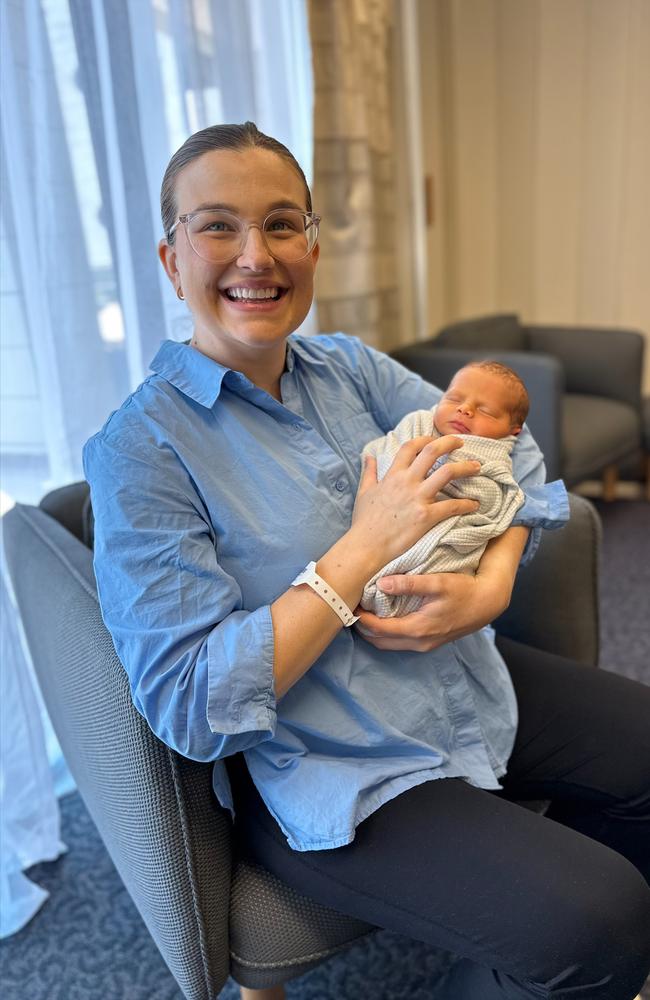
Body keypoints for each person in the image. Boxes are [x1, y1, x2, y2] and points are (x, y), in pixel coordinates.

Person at [82, 122, 650, 1000]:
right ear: (170, 258)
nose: (254, 255)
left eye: (280, 224)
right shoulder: (143, 447)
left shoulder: (348, 369)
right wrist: (361, 549)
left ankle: (535, 948)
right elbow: (189, 703)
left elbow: (519, 458)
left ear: (311, 245)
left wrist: (490, 590)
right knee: (602, 923)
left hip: (463, 683)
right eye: (217, 226)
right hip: (334, 762)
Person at [361, 361, 543, 617]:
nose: (464, 409)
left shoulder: (496, 458)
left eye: (487, 411)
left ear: (513, 431)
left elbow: (494, 499)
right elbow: (384, 456)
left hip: (447, 542)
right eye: (454, 398)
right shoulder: (420, 423)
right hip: (379, 529)